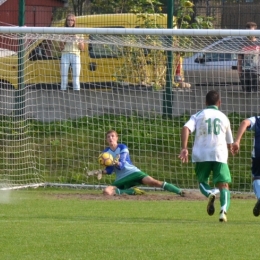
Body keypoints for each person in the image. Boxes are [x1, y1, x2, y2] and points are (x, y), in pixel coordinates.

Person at [178, 90, 234, 222]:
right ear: (219, 103)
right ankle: (223, 212)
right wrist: (231, 148)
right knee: (224, 185)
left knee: (203, 181)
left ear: (205, 102)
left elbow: (186, 128)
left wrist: (184, 148)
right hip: (219, 154)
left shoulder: (199, 115)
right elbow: (229, 143)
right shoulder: (224, 117)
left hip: (202, 153)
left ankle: (210, 193)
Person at [89, 130, 185, 197]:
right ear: (106, 140)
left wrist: (117, 163)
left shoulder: (122, 147)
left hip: (133, 173)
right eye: (108, 137)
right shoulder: (106, 153)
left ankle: (180, 192)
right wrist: (101, 171)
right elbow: (110, 170)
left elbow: (121, 164)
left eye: (113, 136)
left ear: (117, 138)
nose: (111, 138)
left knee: (154, 182)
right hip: (121, 178)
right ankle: (132, 191)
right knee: (107, 192)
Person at [233, 116, 260, 216]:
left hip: (258, 154)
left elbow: (244, 122)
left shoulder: (257, 119)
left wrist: (237, 141)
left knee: (256, 176)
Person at [60, 14, 84, 91]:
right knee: (64, 78)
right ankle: (63, 95)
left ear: (74, 22)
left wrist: (77, 38)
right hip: (65, 55)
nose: (70, 22)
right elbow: (61, 48)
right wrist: (65, 38)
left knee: (76, 78)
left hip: (75, 55)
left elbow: (82, 48)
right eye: (68, 20)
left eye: (72, 20)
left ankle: (77, 96)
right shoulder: (62, 31)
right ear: (66, 21)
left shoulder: (79, 31)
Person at [237, 22, 259, 92]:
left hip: (256, 73)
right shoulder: (243, 44)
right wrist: (240, 73)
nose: (249, 34)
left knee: (254, 94)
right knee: (245, 93)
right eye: (247, 31)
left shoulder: (258, 44)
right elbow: (239, 60)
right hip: (245, 73)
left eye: (251, 31)